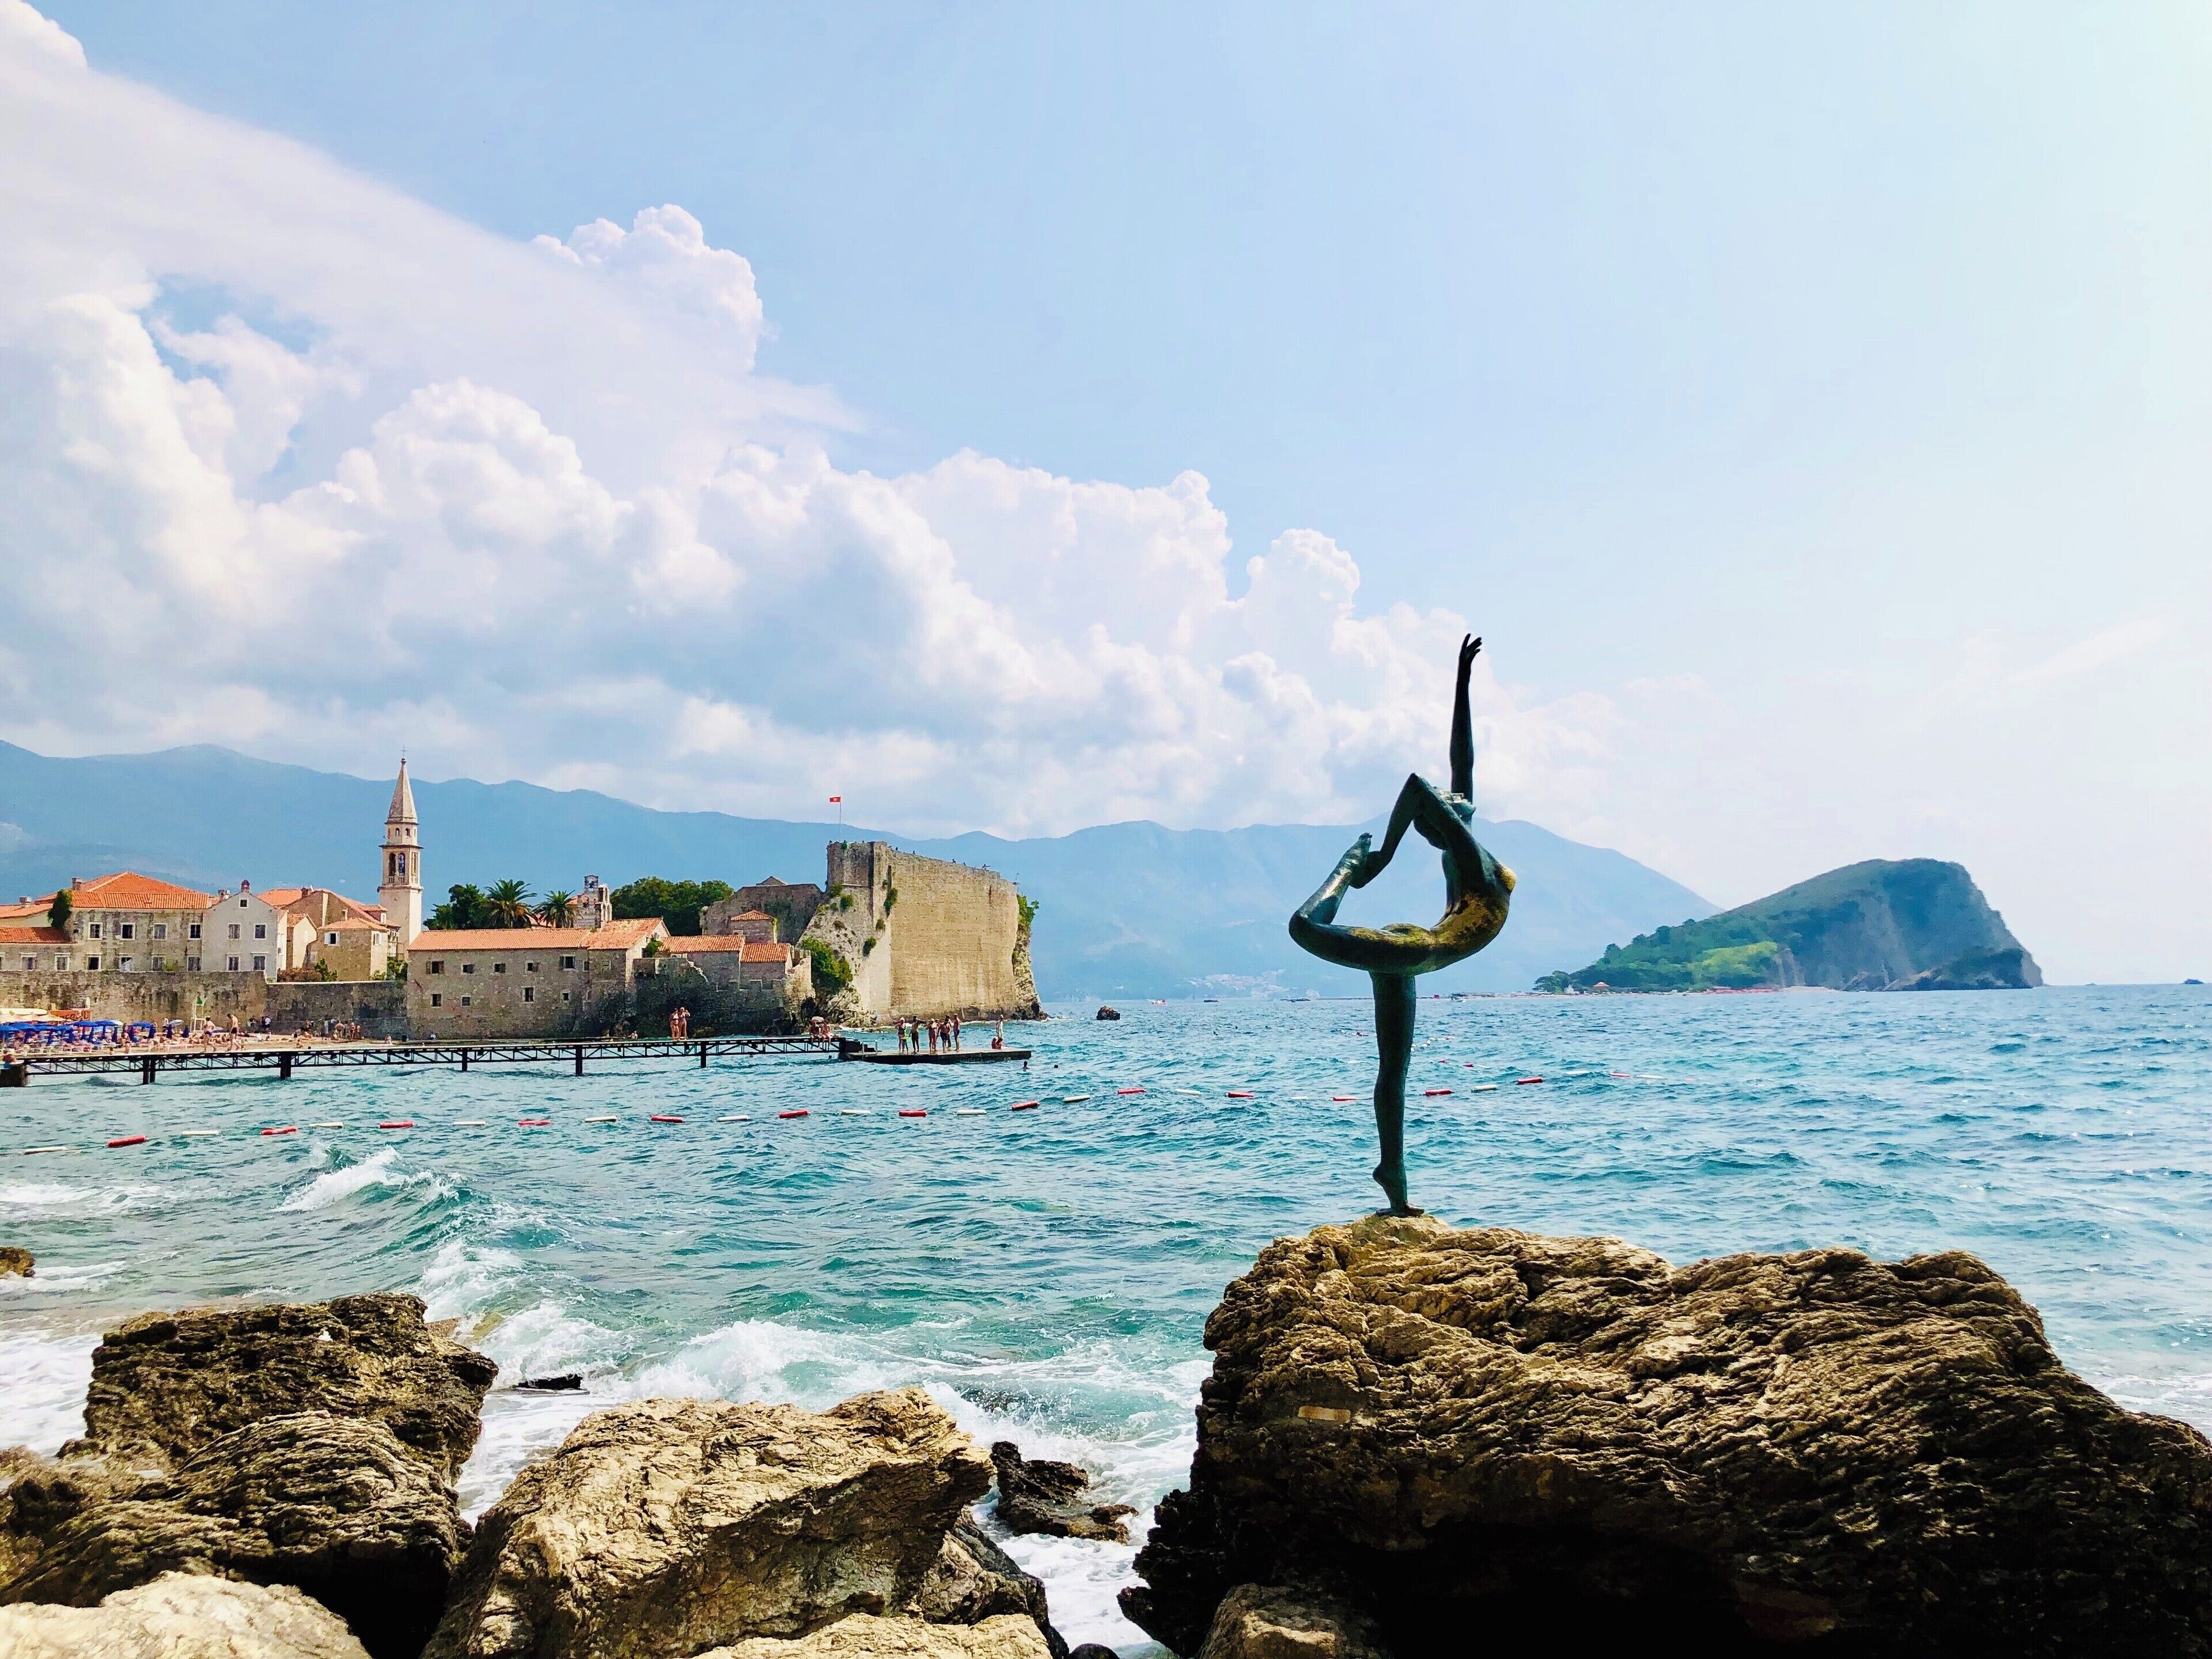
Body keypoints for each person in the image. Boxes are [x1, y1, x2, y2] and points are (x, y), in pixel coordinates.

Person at [1289, 633, 1516, 1217]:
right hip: (1414, 950)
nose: (1454, 797)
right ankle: (1341, 872)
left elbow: (1460, 762)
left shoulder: (1474, 862)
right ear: (1443, 823)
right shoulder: (1473, 865)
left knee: (1395, 1072)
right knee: (1304, 926)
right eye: (1448, 804)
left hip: (1419, 951)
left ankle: (1394, 1172)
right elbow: (1419, 787)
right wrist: (1379, 859)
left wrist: (1462, 683)